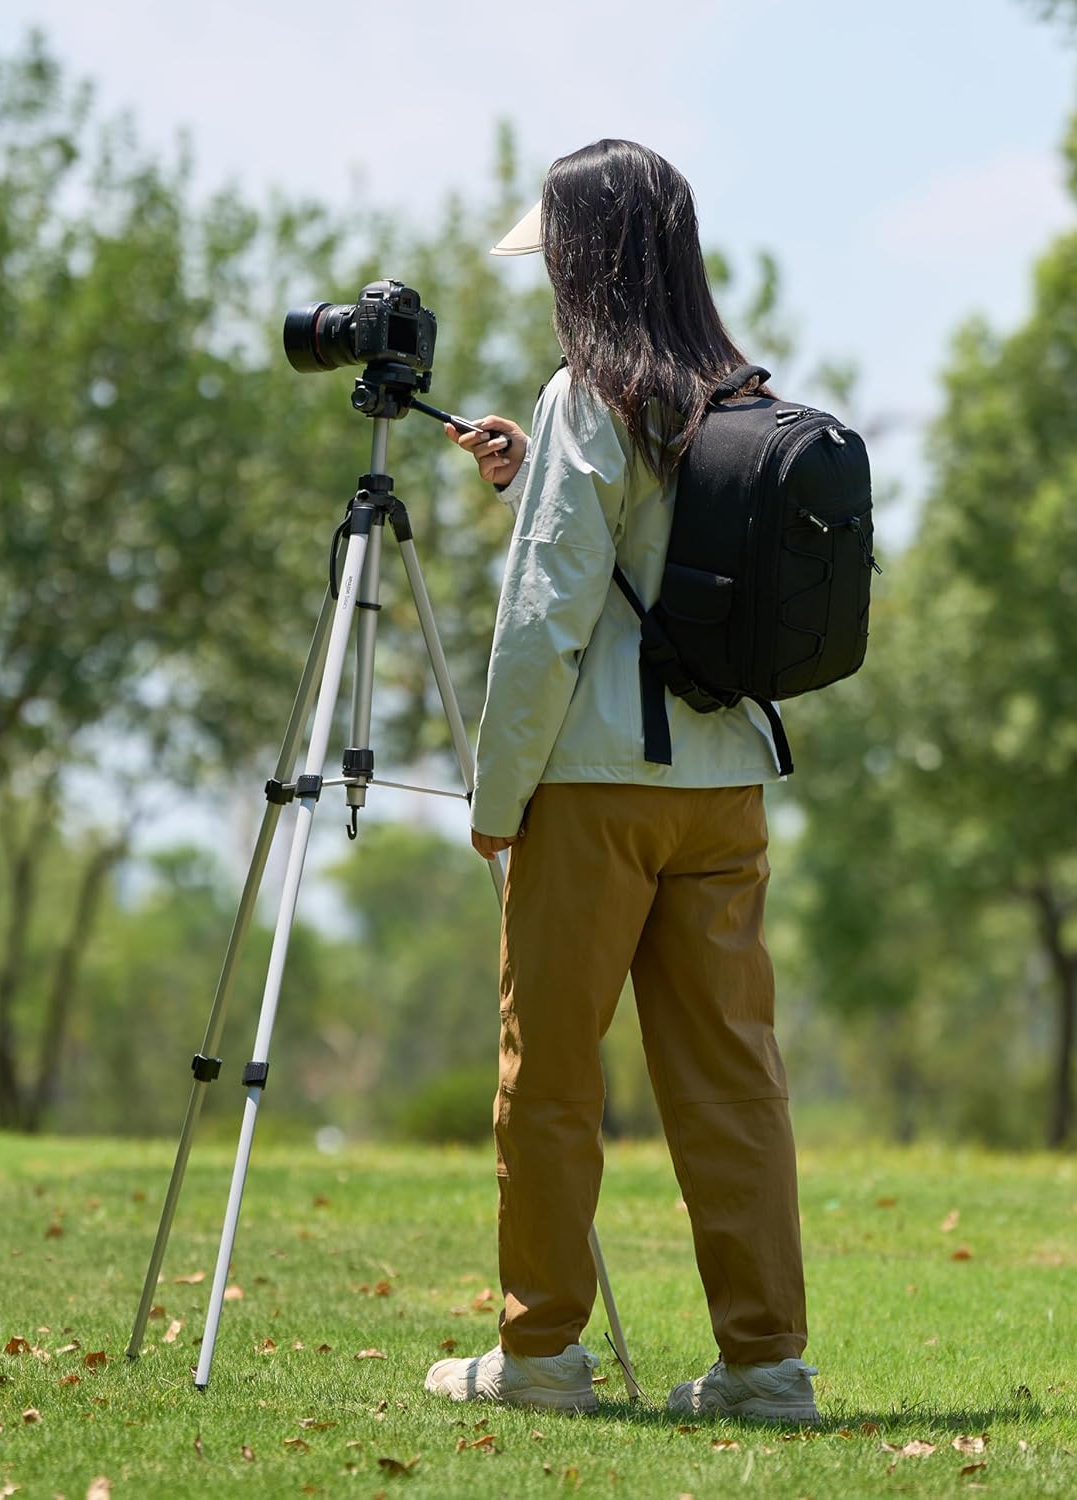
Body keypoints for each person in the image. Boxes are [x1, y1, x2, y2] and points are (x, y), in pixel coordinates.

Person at [422, 139, 819, 1423]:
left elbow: (546, 615)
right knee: (731, 1081)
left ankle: (538, 1356)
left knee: (548, 1076)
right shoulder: (732, 388)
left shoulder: (585, 391)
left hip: (592, 790)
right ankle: (767, 1370)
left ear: (583, 259)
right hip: (724, 790)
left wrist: (496, 798)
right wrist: (526, 480)